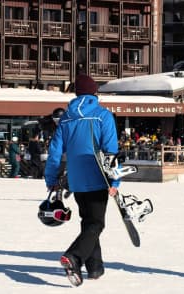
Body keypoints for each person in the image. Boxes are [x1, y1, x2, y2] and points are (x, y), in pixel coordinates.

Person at [44, 73, 119, 286]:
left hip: (76, 180)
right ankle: (74, 257)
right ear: (95, 93)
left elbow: (55, 153)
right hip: (98, 177)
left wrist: (51, 178)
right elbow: (111, 151)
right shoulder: (102, 115)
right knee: (96, 224)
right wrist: (115, 181)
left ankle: (95, 268)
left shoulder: (66, 119)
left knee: (89, 222)